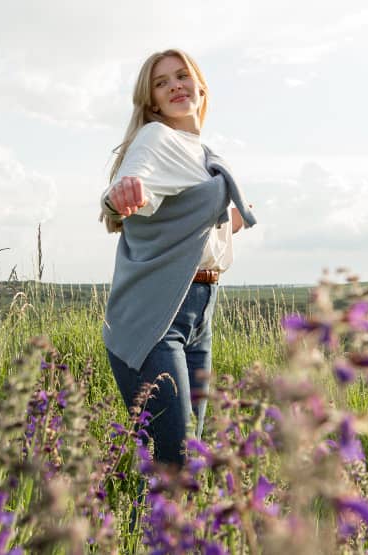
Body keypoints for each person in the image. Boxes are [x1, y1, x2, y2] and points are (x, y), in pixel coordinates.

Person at [100, 48, 256, 469]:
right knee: (177, 462)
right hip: (158, 315)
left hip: (199, 315)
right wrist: (120, 195)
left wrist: (229, 219)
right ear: (151, 101)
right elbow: (134, 184)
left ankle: (134, 527)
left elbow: (191, 220)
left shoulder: (204, 157)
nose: (175, 86)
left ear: (201, 87)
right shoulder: (156, 139)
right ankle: (138, 532)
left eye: (182, 76)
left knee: (182, 456)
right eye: (161, 82)